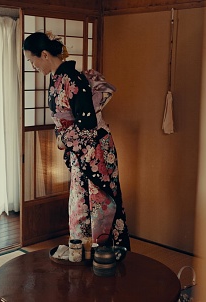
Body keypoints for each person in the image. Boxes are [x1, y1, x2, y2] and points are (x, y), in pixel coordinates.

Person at [23, 32, 131, 250]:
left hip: (95, 149)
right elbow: (63, 121)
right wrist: (63, 138)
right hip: (81, 149)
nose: (32, 65)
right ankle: (84, 252)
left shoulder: (72, 79)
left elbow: (88, 124)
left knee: (98, 202)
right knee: (81, 203)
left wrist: (64, 139)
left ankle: (103, 253)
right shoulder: (57, 78)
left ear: (44, 55)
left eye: (31, 60)